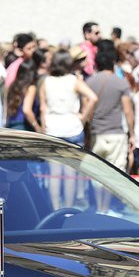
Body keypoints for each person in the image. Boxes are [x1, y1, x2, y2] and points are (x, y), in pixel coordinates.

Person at [40, 50, 98, 209]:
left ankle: (55, 207)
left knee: (54, 173)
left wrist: (44, 126)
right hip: (72, 127)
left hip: (53, 128)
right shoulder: (74, 80)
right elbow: (93, 97)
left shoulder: (46, 81)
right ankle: (68, 208)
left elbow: (43, 108)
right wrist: (83, 117)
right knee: (70, 174)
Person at [86, 42, 135, 182]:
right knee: (115, 175)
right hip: (116, 133)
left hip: (97, 132)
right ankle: (108, 203)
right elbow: (127, 111)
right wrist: (132, 134)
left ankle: (100, 203)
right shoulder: (121, 83)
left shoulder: (89, 82)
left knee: (97, 175)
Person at [5, 58, 41, 131]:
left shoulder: (13, 86)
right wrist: (37, 127)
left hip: (10, 125)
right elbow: (26, 110)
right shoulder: (30, 88)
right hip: (24, 127)